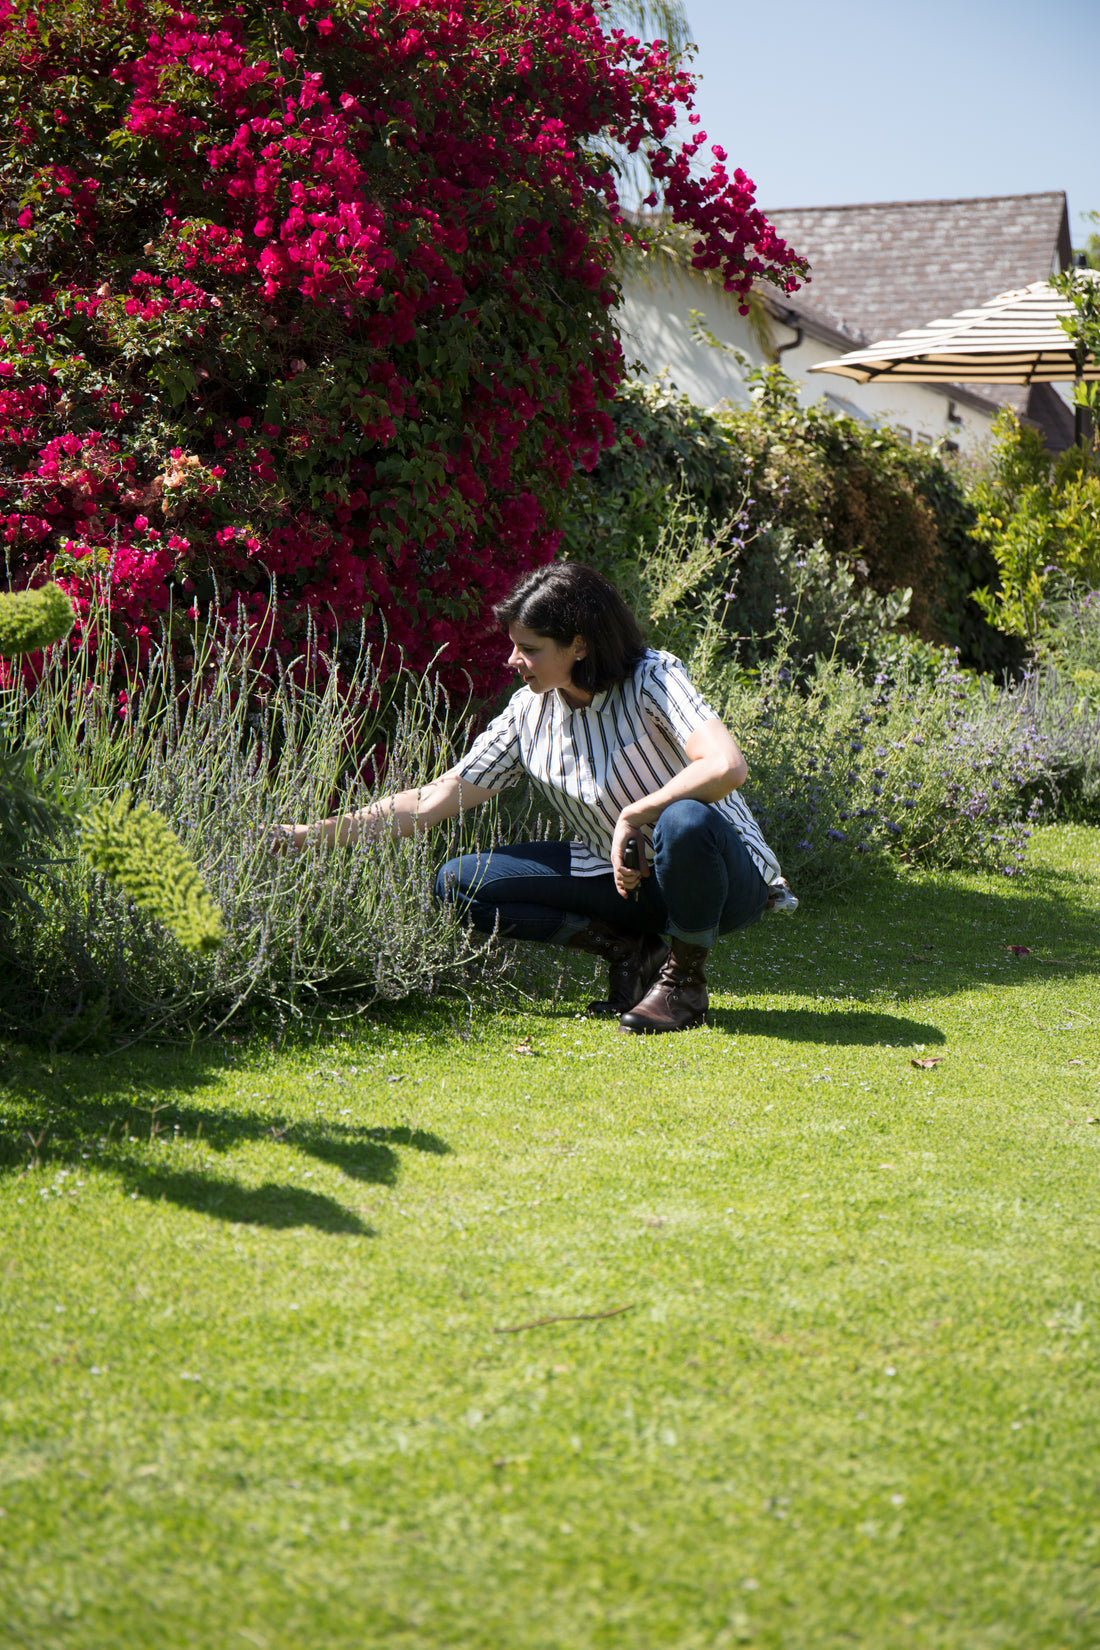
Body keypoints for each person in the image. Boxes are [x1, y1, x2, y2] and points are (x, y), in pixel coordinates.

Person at [281, 562, 789, 1034]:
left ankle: (685, 985)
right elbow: (433, 799)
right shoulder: (528, 711)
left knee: (684, 819)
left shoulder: (653, 678)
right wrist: (306, 837)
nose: (513, 659)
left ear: (580, 646)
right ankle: (633, 953)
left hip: (724, 880)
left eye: (531, 647)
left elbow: (726, 766)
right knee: (460, 883)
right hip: (620, 879)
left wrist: (638, 812)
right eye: (514, 645)